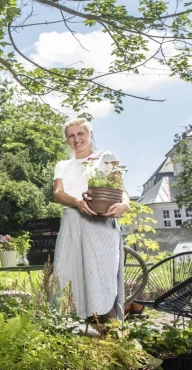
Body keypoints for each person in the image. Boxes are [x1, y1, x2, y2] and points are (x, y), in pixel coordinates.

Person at [52, 117, 129, 322]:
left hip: (100, 227)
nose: (76, 139)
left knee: (103, 282)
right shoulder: (63, 165)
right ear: (66, 139)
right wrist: (77, 202)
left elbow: (122, 191)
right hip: (73, 226)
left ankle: (115, 342)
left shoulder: (106, 157)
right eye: (71, 136)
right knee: (69, 282)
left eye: (80, 134)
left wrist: (125, 204)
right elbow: (58, 193)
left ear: (90, 134)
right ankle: (79, 341)